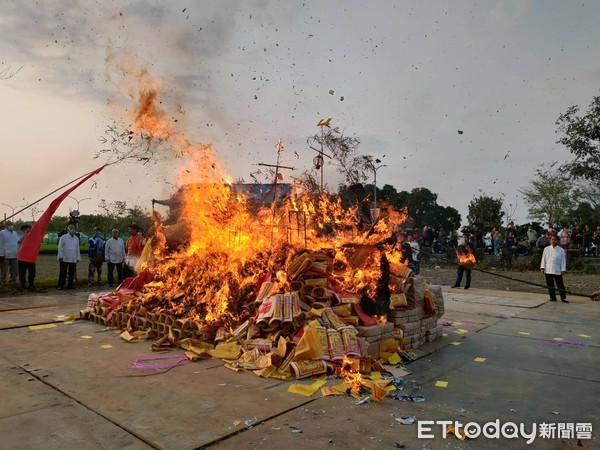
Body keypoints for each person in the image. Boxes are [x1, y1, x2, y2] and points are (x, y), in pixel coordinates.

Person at [540, 235, 568, 303]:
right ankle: (552, 297)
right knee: (550, 285)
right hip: (548, 269)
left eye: (555, 240)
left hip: (557, 270)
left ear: (557, 241)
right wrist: (542, 267)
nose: (553, 241)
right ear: (550, 240)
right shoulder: (546, 249)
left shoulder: (561, 250)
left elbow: (563, 260)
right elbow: (543, 259)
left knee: (560, 285)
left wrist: (563, 269)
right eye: (552, 239)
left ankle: (563, 298)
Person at [57, 224, 81, 290]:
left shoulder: (76, 238)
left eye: (73, 228)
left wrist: (78, 257)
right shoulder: (63, 237)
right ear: (68, 229)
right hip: (64, 257)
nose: (72, 229)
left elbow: (77, 248)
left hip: (73, 257)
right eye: (71, 228)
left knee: (71, 272)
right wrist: (60, 256)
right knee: (63, 272)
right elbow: (60, 247)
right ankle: (61, 285)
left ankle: (70, 285)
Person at [0, 221, 20, 285]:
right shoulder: (2, 233)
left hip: (14, 255)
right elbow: (0, 244)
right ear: (6, 225)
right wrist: (1, 254)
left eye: (11, 224)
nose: (11, 225)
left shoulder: (15, 233)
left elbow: (18, 242)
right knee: (4, 270)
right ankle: (3, 282)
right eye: (9, 224)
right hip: (6, 255)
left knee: (14, 271)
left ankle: (12, 282)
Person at [17, 224, 36, 290]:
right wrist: (26, 234)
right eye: (28, 229)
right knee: (22, 273)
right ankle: (23, 286)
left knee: (32, 272)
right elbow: (19, 241)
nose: (30, 230)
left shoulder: (33, 237)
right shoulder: (21, 236)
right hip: (22, 258)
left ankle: (31, 284)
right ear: (23, 230)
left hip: (31, 258)